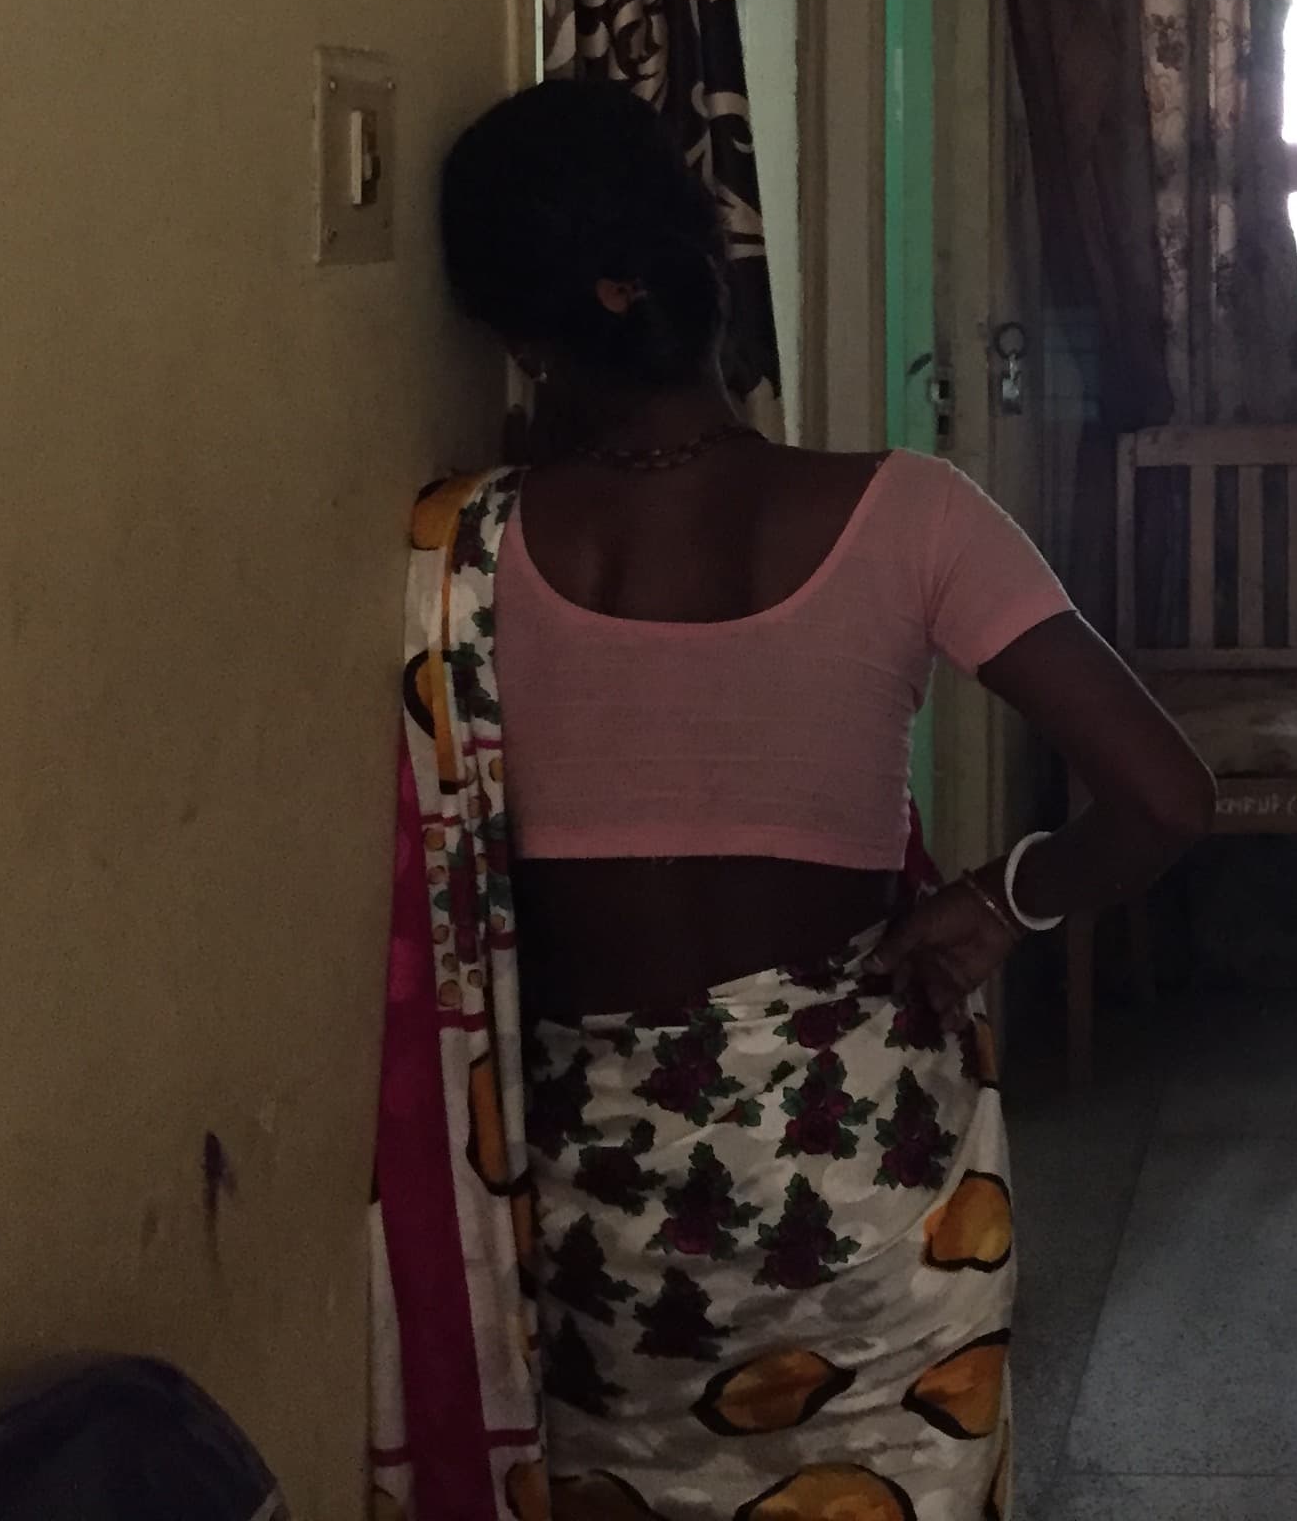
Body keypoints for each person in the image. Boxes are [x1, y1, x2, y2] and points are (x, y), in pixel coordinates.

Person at [396, 77, 1211, 1521]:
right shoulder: (915, 515)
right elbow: (1161, 794)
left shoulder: (454, 550)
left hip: (594, 1204)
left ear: (518, 337)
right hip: (860, 1171)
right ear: (715, 271)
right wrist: (999, 900)